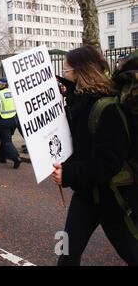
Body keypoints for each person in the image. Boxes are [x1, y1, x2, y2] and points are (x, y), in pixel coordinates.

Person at [51, 45, 138, 266]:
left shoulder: (108, 109)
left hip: (115, 200)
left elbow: (108, 163)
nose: (64, 74)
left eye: (67, 70)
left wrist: (68, 174)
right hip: (86, 198)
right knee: (67, 255)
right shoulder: (81, 101)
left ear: (81, 72)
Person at [0, 78, 22, 169]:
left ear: (4, 85)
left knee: (6, 141)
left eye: (0, 84)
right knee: (4, 139)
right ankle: (2, 157)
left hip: (3, 121)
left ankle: (16, 158)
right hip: (13, 120)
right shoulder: (13, 92)